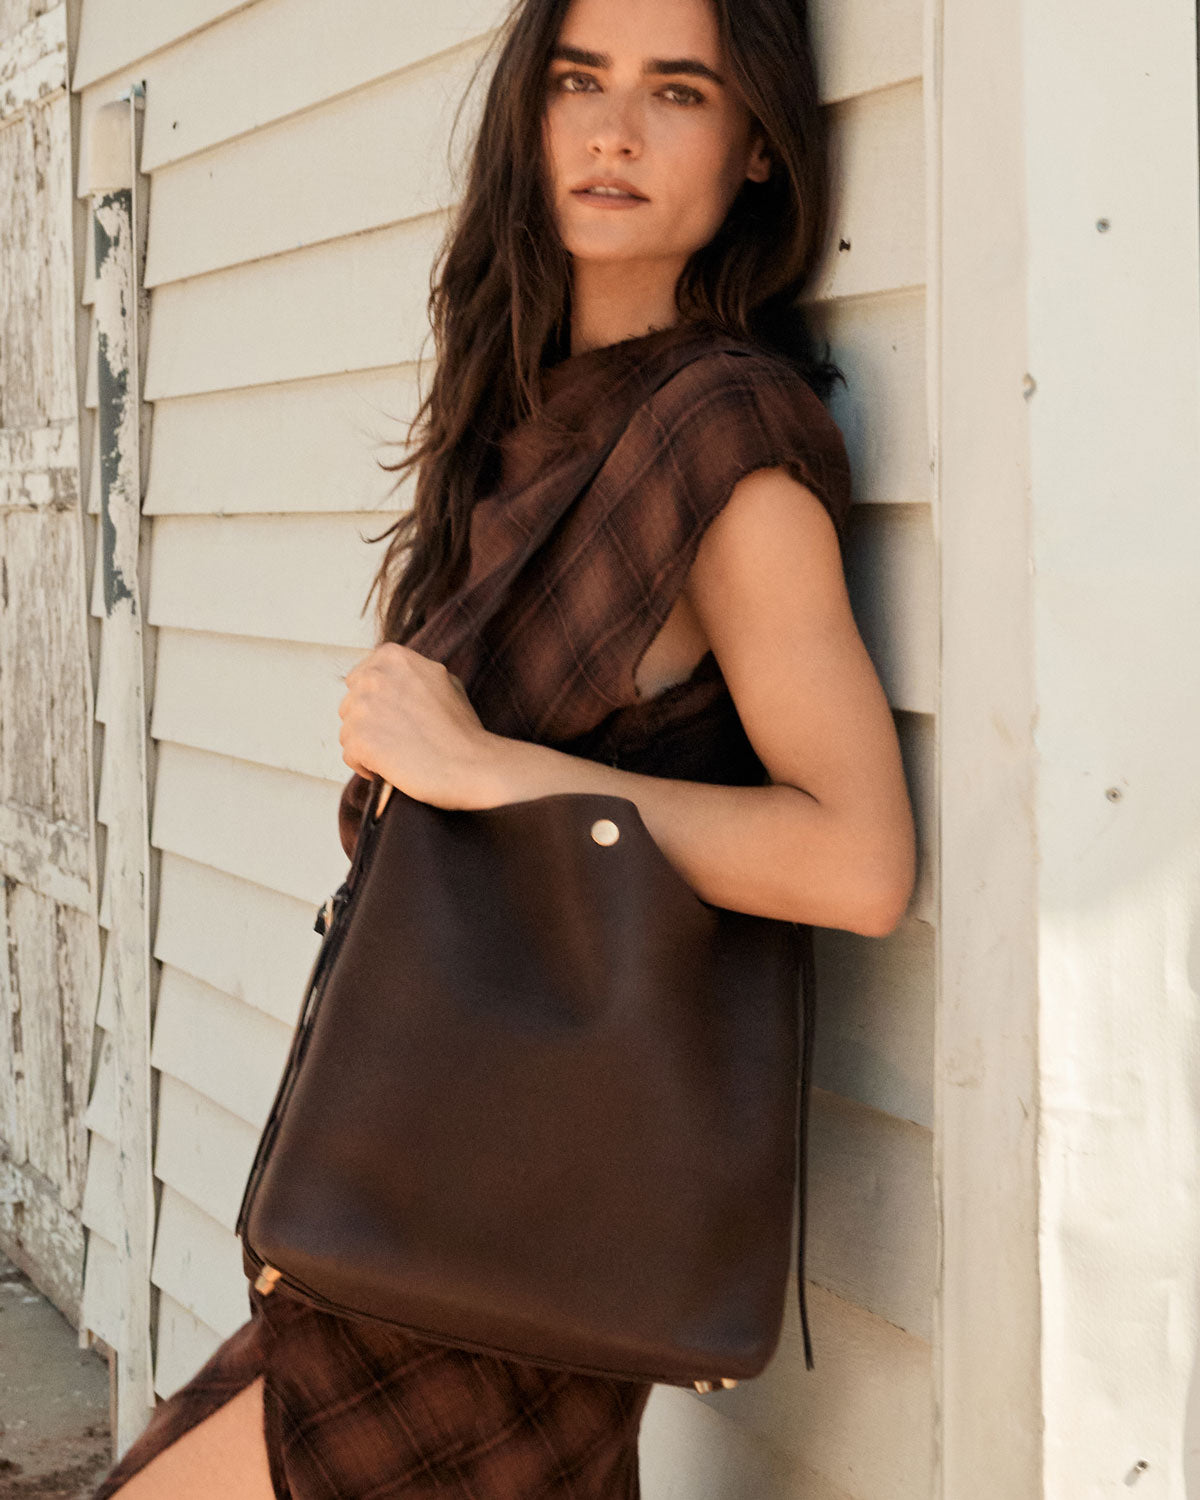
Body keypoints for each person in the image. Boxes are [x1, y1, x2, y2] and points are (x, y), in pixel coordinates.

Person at [92, 0, 916, 1494]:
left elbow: (856, 860)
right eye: (577, 82)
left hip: (517, 1226)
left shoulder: (724, 443)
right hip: (424, 1192)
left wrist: (494, 769)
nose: (613, 130)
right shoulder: (524, 412)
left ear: (754, 155)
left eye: (679, 93)